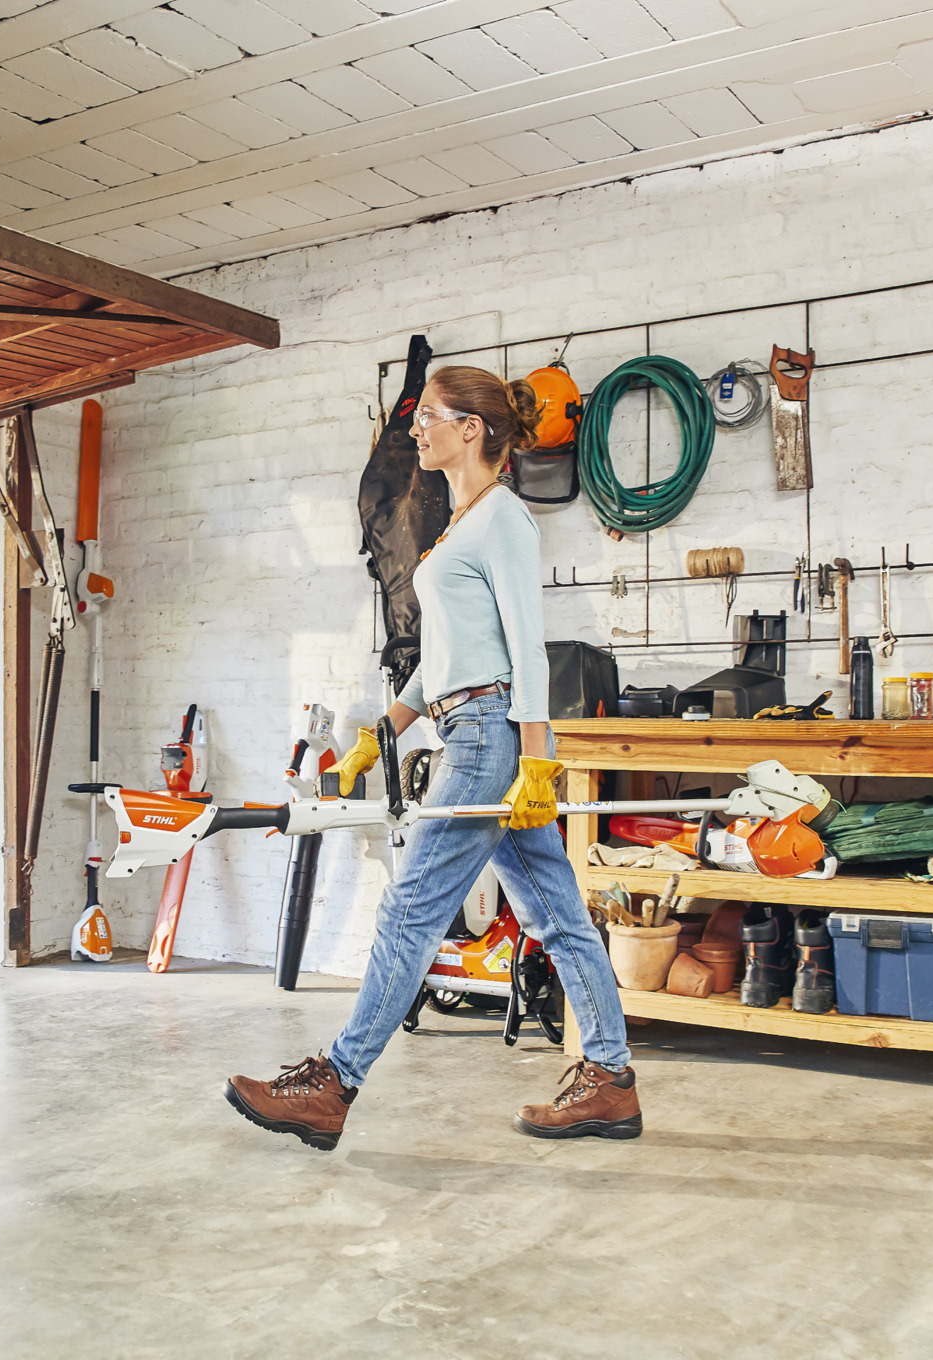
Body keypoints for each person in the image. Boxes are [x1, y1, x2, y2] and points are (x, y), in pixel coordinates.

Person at [224, 366, 640, 1151]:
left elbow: (524, 647)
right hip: (470, 725)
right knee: (558, 917)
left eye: (429, 417)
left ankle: (333, 1086)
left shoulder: (504, 522)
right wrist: (377, 735)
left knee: (409, 912)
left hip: (489, 735)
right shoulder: (461, 521)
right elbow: (443, 657)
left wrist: (538, 760)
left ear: (471, 429)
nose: (415, 430)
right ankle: (610, 1082)